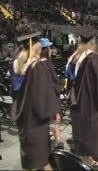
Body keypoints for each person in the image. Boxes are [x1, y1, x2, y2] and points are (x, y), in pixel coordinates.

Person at [10, 32, 60, 170]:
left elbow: (14, 90)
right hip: (35, 116)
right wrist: (53, 113)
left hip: (22, 113)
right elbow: (41, 95)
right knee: (42, 155)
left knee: (28, 151)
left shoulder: (16, 63)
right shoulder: (37, 66)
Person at [65, 26, 98, 167]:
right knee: (93, 128)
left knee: (82, 127)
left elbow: (68, 80)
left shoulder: (72, 58)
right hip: (90, 101)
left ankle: (93, 154)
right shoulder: (93, 58)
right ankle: (90, 158)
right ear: (93, 42)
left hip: (76, 99)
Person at [39, 37, 64, 150]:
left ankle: (55, 139)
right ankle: (58, 141)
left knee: (49, 121)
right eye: (49, 47)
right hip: (51, 96)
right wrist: (63, 83)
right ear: (45, 49)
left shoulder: (37, 64)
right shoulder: (47, 64)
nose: (51, 49)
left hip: (42, 98)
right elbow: (54, 83)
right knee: (56, 118)